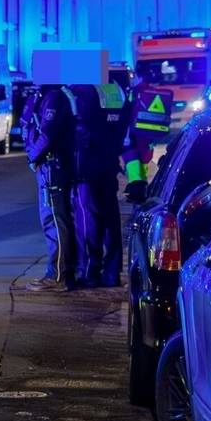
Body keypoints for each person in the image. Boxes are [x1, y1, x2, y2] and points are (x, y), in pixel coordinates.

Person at [21, 81, 79, 292]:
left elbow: (47, 133)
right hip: (51, 166)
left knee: (54, 221)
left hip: (52, 167)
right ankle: (62, 273)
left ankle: (58, 276)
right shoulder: (45, 95)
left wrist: (33, 156)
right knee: (56, 220)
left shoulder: (54, 97)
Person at [69, 83, 123, 288]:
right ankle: (112, 273)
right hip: (108, 164)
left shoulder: (82, 91)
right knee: (110, 221)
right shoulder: (115, 89)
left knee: (87, 221)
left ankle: (88, 273)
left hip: (86, 167)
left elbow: (80, 128)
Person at [126, 78, 173, 202]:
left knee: (132, 160)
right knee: (144, 160)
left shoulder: (136, 91)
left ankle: (137, 189)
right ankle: (142, 188)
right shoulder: (150, 91)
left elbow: (127, 110)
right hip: (147, 137)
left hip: (135, 133)